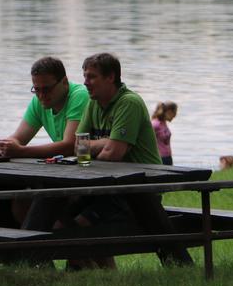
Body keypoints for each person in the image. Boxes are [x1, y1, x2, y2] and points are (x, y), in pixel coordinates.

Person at [60, 53, 178, 269]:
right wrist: (105, 142)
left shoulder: (128, 103)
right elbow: (78, 147)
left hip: (139, 190)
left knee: (79, 223)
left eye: (92, 77)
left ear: (110, 77)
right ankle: (100, 273)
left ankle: (82, 271)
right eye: (84, 76)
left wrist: (98, 146)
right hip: (109, 186)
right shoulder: (93, 104)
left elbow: (113, 154)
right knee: (60, 212)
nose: (85, 82)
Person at [0, 56, 89, 160]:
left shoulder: (79, 96)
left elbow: (70, 146)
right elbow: (18, 138)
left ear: (64, 82)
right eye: (37, 89)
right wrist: (2, 146)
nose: (41, 95)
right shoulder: (39, 101)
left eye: (47, 89)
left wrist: (21, 151)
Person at [151, 101, 178, 165]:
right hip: (159, 158)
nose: (175, 116)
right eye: (174, 113)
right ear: (169, 112)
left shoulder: (164, 123)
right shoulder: (155, 124)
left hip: (167, 157)